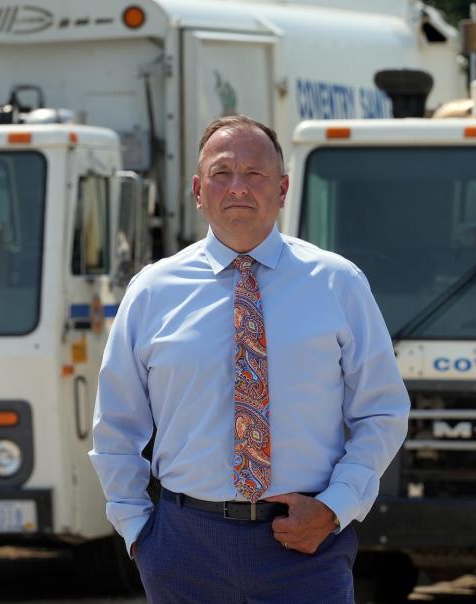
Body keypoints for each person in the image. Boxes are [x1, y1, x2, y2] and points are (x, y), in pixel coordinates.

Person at [89, 115, 410, 603]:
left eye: (254, 174)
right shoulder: (152, 292)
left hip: (305, 548)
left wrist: (334, 508)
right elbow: (116, 424)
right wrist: (137, 530)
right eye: (221, 173)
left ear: (282, 189)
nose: (237, 187)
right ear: (199, 190)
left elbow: (382, 412)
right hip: (183, 551)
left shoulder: (338, 283)